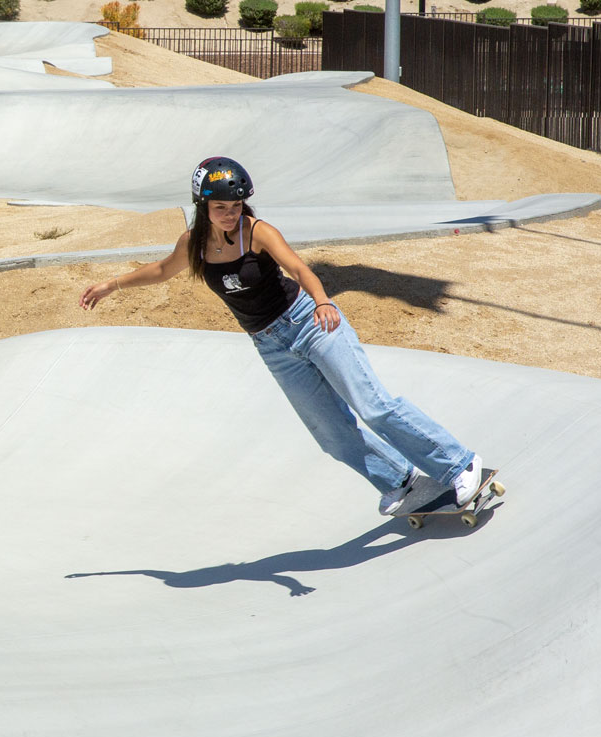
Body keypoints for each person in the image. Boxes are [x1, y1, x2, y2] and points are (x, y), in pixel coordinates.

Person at [78, 156, 488, 517]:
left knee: (373, 406)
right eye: (220, 207)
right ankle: (400, 481)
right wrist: (111, 285)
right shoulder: (194, 244)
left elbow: (300, 269)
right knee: (329, 432)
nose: (229, 214)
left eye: (235, 205)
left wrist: (324, 300)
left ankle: (458, 464)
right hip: (271, 345)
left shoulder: (257, 231)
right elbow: (162, 270)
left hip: (311, 322)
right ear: (202, 206)